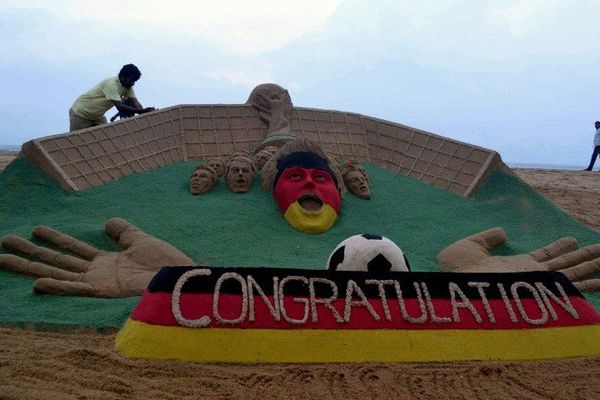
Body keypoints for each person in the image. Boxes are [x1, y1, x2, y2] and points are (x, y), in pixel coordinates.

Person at [69, 64, 155, 132]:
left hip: (97, 116)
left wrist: (147, 113)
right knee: (77, 144)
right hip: (81, 113)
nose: (133, 83)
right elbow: (120, 107)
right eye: (132, 80)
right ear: (123, 77)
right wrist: (141, 111)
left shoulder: (127, 86)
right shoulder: (111, 84)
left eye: (135, 81)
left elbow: (135, 102)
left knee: (107, 137)